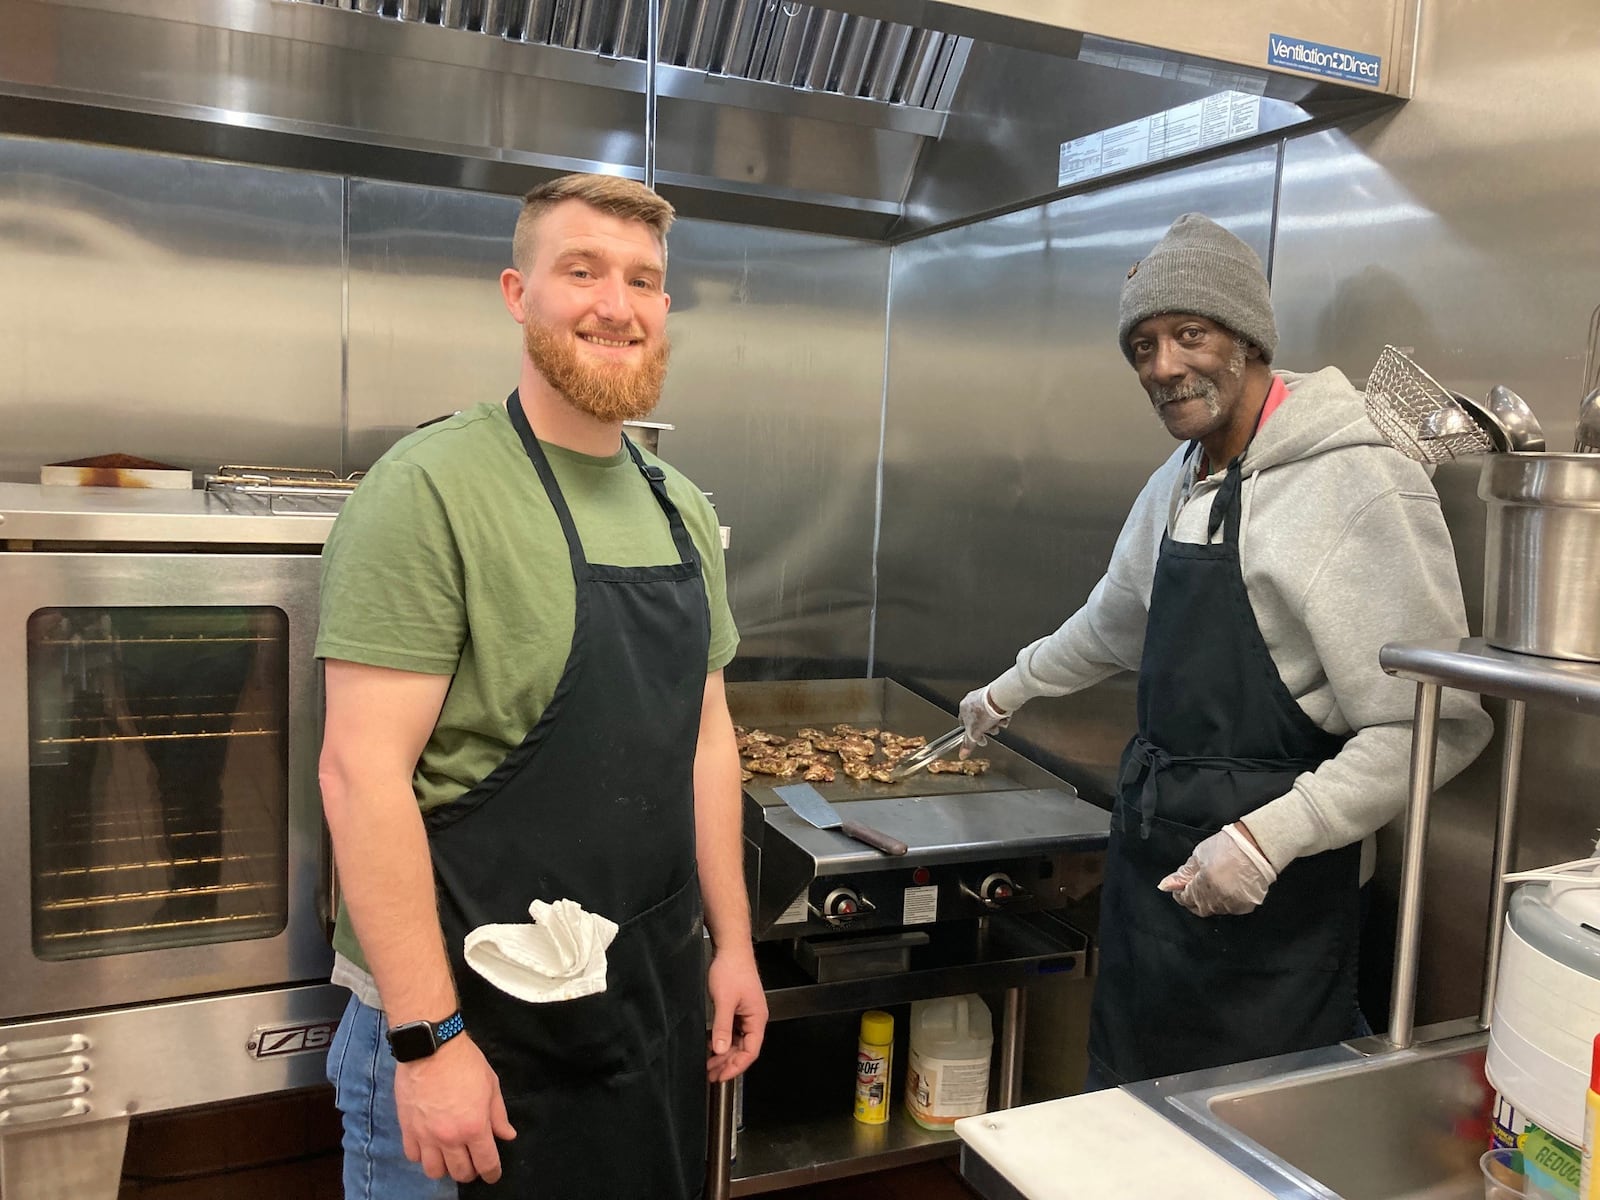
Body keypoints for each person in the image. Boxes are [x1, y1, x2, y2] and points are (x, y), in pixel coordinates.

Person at [958, 213, 1492, 1088]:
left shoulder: (1356, 482)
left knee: (1250, 1144)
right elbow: (1114, 623)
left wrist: (1266, 839)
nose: (1163, 366)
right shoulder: (1181, 478)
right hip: (1155, 875)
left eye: (1189, 334)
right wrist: (1009, 691)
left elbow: (1435, 727)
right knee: (1133, 1127)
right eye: (1142, 346)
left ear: (1248, 337)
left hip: (1277, 906)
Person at [316, 173, 766, 1199]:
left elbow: (703, 740)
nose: (618, 305)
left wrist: (731, 944)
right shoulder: (430, 488)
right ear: (519, 295)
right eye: (583, 271)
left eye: (644, 281)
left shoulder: (679, 507)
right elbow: (360, 775)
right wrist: (428, 1044)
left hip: (631, 1002)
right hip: (457, 1024)